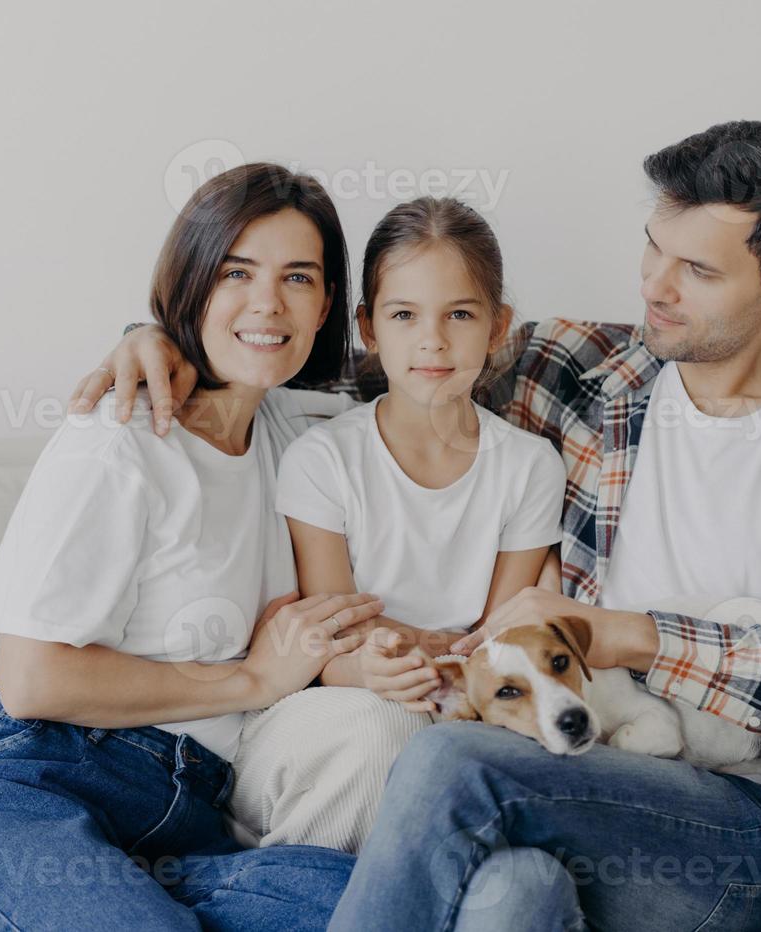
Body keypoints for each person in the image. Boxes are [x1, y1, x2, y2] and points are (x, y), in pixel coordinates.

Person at [73, 121, 761, 929]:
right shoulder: (579, 369)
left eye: (699, 271)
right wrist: (165, 342)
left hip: (736, 822)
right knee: (512, 893)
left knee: (449, 761)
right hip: (557, 772)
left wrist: (631, 637)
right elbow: (370, 362)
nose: (656, 287)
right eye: (654, 248)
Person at [0, 162, 383, 931]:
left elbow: (434, 357)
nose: (267, 303)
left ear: (327, 310)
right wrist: (250, 680)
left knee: (415, 903)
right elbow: (32, 678)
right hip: (26, 783)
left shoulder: (297, 433)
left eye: (299, 278)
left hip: (188, 835)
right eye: (234, 271)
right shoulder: (119, 436)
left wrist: (143, 333)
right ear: (189, 283)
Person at [227, 196, 566, 854]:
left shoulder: (528, 466)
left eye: (459, 315)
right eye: (404, 315)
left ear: (498, 327)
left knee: (467, 759)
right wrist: (378, 664)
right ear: (369, 328)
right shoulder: (324, 458)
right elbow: (333, 630)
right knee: (383, 733)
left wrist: (442, 655)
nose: (432, 340)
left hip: (458, 703)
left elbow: (500, 638)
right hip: (336, 700)